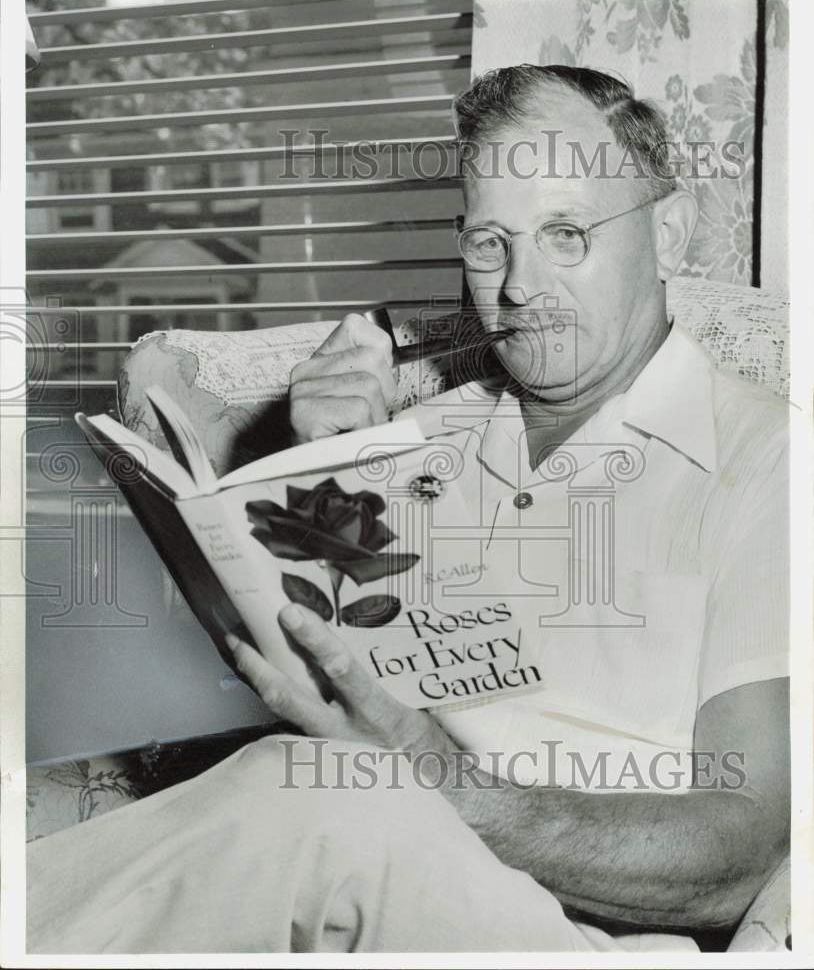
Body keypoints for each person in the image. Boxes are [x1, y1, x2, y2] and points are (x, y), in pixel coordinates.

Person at [27, 65, 789, 954]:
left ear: (670, 230)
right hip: (364, 874)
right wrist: (323, 470)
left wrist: (440, 787)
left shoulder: (769, 459)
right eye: (488, 244)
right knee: (297, 779)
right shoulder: (418, 438)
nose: (519, 287)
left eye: (568, 234)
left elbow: (744, 848)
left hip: (584, 934)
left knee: (318, 797)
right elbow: (324, 707)